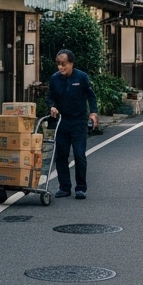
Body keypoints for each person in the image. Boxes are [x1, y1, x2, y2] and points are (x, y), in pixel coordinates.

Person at [45, 48, 99, 199]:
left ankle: (80, 187)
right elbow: (50, 97)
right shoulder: (55, 78)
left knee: (79, 154)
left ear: (71, 63)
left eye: (64, 64)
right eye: (58, 64)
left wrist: (93, 113)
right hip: (62, 121)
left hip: (79, 122)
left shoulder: (81, 77)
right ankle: (64, 187)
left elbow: (91, 96)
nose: (60, 67)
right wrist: (52, 106)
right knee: (61, 155)